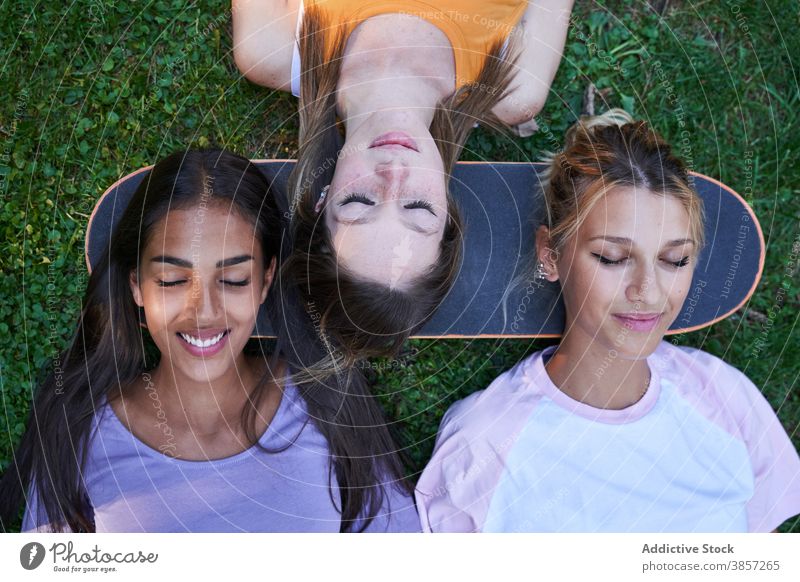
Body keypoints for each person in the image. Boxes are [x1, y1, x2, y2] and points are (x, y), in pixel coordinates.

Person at [415, 110, 800, 532]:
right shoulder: (483, 446)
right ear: (550, 253)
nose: (648, 291)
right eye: (612, 258)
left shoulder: (725, 400)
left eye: (675, 260)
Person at [0, 149, 419, 532]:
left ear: (265, 280)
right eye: (172, 280)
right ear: (137, 288)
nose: (204, 311)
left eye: (234, 279)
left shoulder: (327, 400)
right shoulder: (79, 432)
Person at [233, 0, 575, 362]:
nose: (393, 173)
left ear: (322, 200)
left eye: (361, 201)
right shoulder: (514, 88)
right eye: (417, 206)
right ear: (447, 213)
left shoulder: (271, 46)